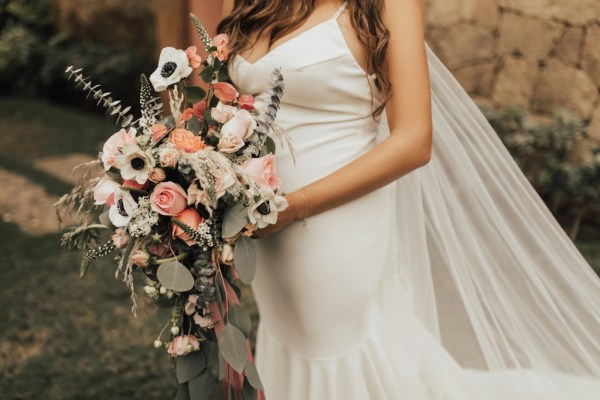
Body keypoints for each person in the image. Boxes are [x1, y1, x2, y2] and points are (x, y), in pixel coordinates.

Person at [217, 0, 600, 398]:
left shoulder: (385, 5)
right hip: (261, 222)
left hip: (332, 224)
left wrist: (294, 206)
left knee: (331, 344)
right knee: (289, 333)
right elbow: (222, 100)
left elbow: (414, 141)